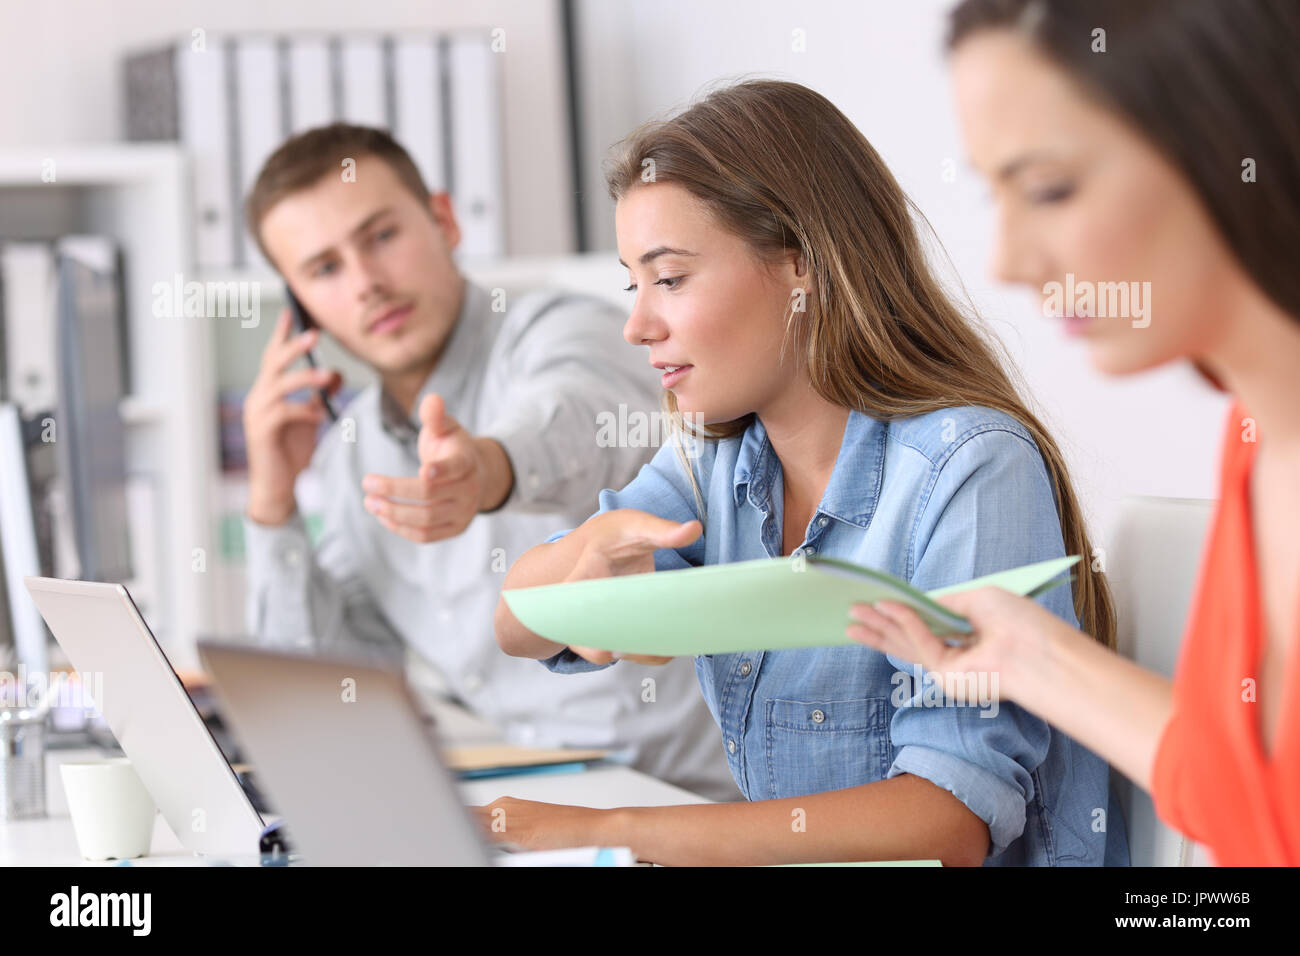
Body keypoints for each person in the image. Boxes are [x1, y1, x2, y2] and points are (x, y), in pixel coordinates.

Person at [489, 80, 1129, 866]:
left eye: (671, 278)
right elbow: (514, 623)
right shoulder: (719, 459)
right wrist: (583, 566)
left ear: (802, 267)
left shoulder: (970, 467)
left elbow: (947, 819)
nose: (637, 325)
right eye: (633, 282)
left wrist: (616, 832)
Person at [847, 0, 1300, 865]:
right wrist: (1026, 654)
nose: (1009, 263)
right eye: (996, 196)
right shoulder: (1257, 433)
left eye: (1050, 189)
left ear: (1231, 135)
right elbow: (1244, 791)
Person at [239, 122, 736, 800]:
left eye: (381, 237)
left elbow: (580, 414)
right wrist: (272, 504)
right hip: (535, 799)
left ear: (443, 220)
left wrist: (489, 469)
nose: (366, 285)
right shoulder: (349, 455)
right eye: (324, 269)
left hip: (687, 799)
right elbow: (322, 688)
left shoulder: (555, 328)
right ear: (300, 308)